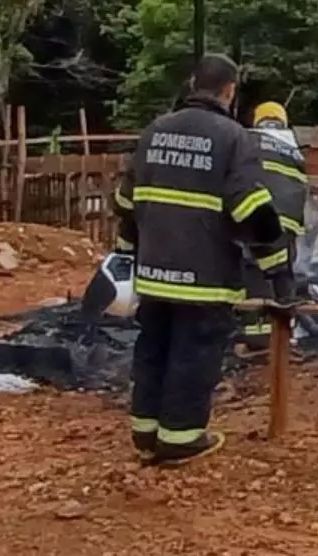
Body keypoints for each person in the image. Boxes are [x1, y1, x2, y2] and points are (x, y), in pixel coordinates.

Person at [113, 54, 294, 466]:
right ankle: (180, 438)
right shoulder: (233, 138)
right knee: (193, 355)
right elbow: (253, 211)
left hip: (153, 274)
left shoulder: (155, 130)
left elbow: (125, 203)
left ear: (193, 84)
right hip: (204, 277)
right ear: (230, 90)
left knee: (154, 349)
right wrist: (280, 273)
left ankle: (146, 432)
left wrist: (126, 255)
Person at [236, 101, 309, 353]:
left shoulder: (246, 139)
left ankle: (257, 338)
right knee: (282, 273)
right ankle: (285, 335)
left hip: (257, 215)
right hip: (287, 223)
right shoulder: (292, 146)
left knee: (253, 272)